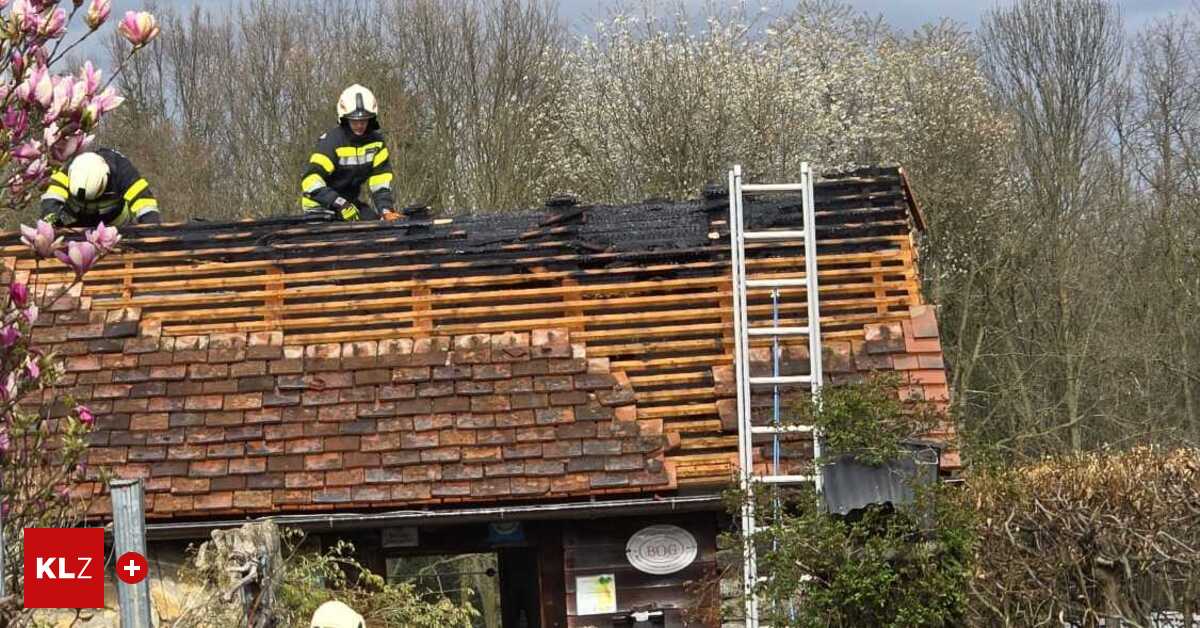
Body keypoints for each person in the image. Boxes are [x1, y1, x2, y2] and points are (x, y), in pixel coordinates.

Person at [301, 84, 399, 222]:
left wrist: (386, 210)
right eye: (354, 121)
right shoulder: (331, 142)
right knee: (343, 239)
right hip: (320, 206)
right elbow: (310, 180)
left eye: (364, 120)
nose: (360, 125)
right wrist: (339, 203)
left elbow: (380, 181)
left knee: (374, 224)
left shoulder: (377, 143)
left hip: (350, 203)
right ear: (345, 118)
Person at [40, 148, 161, 227]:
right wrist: (54, 224)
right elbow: (51, 200)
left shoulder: (122, 171)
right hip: (78, 224)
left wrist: (151, 233)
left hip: (116, 224)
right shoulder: (69, 170)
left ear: (106, 179)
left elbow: (145, 203)